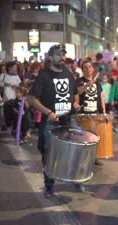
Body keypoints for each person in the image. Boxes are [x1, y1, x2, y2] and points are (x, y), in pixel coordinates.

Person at [27, 44, 77, 198]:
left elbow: (74, 93)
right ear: (50, 57)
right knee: (49, 153)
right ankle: (49, 185)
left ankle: (76, 178)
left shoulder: (68, 73)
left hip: (67, 119)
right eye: (57, 54)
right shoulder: (44, 75)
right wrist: (48, 112)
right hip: (50, 122)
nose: (61, 57)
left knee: (71, 151)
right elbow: (31, 98)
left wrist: (75, 102)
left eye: (63, 54)